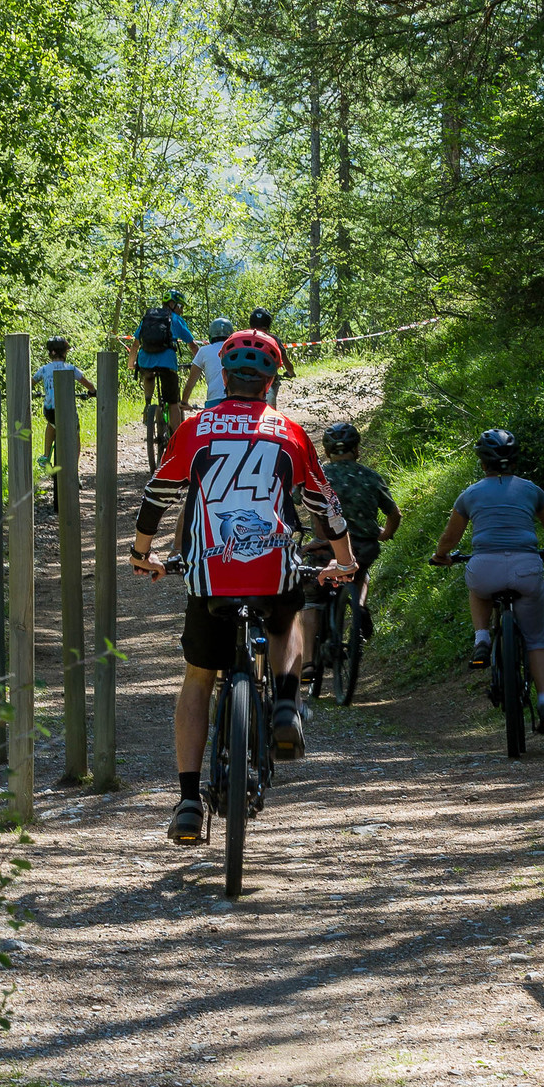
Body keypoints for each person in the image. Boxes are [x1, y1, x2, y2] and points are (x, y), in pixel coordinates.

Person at [130, 329, 357, 844]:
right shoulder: (290, 432)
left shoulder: (195, 428)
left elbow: (157, 495)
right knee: (287, 616)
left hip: (210, 573)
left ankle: (189, 801)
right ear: (270, 382)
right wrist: (343, 561)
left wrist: (142, 553)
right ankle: (285, 703)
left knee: (197, 679)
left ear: (224, 377)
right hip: (271, 567)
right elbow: (325, 505)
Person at [430, 427, 544, 734]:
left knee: (478, 588)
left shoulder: (470, 494)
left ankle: (482, 638)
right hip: (527, 567)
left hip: (485, 566)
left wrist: (441, 555)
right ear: (515, 460)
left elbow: (450, 536)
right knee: (537, 638)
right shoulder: (531, 491)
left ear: (482, 462)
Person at [303, 420, 400, 660]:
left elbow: (296, 497)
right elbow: (394, 514)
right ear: (357, 449)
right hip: (363, 548)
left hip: (326, 550)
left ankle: (307, 663)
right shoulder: (370, 477)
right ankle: (359, 607)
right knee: (360, 573)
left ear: (327, 452)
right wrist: (385, 534)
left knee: (311, 598)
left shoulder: (317, 477)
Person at [123, 289, 196, 434]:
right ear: (172, 304)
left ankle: (148, 404)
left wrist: (131, 363)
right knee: (173, 402)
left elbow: (135, 344)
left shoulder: (148, 318)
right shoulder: (176, 320)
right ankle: (176, 437)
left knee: (148, 374)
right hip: (167, 363)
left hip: (145, 361)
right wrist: (202, 362)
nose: (182, 310)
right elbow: (192, 345)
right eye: (180, 306)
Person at [34, 337, 95, 480]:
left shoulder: (44, 369)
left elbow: (31, 382)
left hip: (50, 411)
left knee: (51, 425)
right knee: (76, 435)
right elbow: (88, 384)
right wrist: (92, 391)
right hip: (68, 412)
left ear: (50, 353)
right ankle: (74, 470)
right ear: (64, 353)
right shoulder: (71, 368)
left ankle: (46, 456)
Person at [182, 317, 234, 409]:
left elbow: (191, 382)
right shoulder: (236, 350)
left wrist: (184, 402)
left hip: (214, 402)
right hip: (235, 401)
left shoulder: (203, 351)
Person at [248, 307, 295, 403]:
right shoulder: (273, 339)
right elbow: (285, 360)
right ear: (268, 323)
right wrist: (291, 372)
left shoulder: (244, 337)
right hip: (267, 381)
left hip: (244, 380)